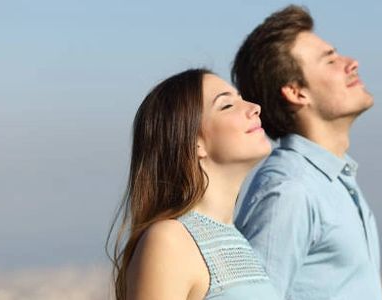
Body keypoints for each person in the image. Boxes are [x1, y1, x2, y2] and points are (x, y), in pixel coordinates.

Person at [232, 5, 382, 300]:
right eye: (330, 61)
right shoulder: (290, 190)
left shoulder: (333, 180)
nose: (351, 63)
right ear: (296, 92)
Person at [107, 68, 281, 300]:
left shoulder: (238, 241)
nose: (254, 108)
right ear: (194, 143)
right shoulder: (169, 240)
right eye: (227, 105)